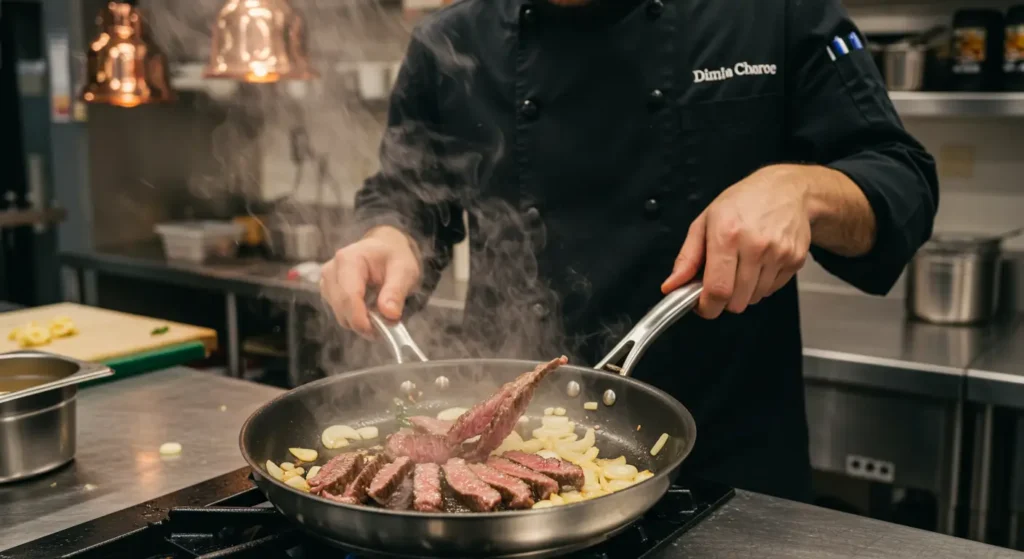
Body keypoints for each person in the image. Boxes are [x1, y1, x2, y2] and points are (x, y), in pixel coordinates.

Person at [320, 0, 938, 502]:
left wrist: (803, 189)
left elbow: (901, 177)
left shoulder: (773, 13)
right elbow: (405, 194)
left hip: (731, 469)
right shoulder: (448, 38)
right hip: (493, 460)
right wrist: (387, 238)